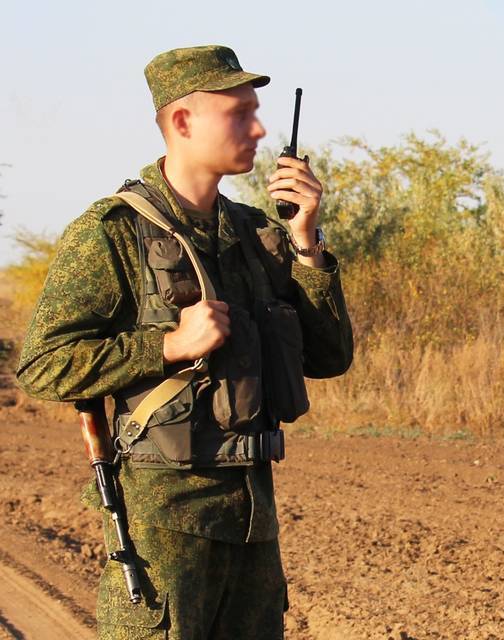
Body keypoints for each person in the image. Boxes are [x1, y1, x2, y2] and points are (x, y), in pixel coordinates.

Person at [16, 45, 353, 639]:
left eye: (258, 110)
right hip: (163, 529)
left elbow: (330, 357)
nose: (260, 128)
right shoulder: (114, 232)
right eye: (240, 112)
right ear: (182, 121)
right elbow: (42, 365)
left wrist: (306, 245)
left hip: (252, 524)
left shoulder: (257, 237)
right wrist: (167, 345)